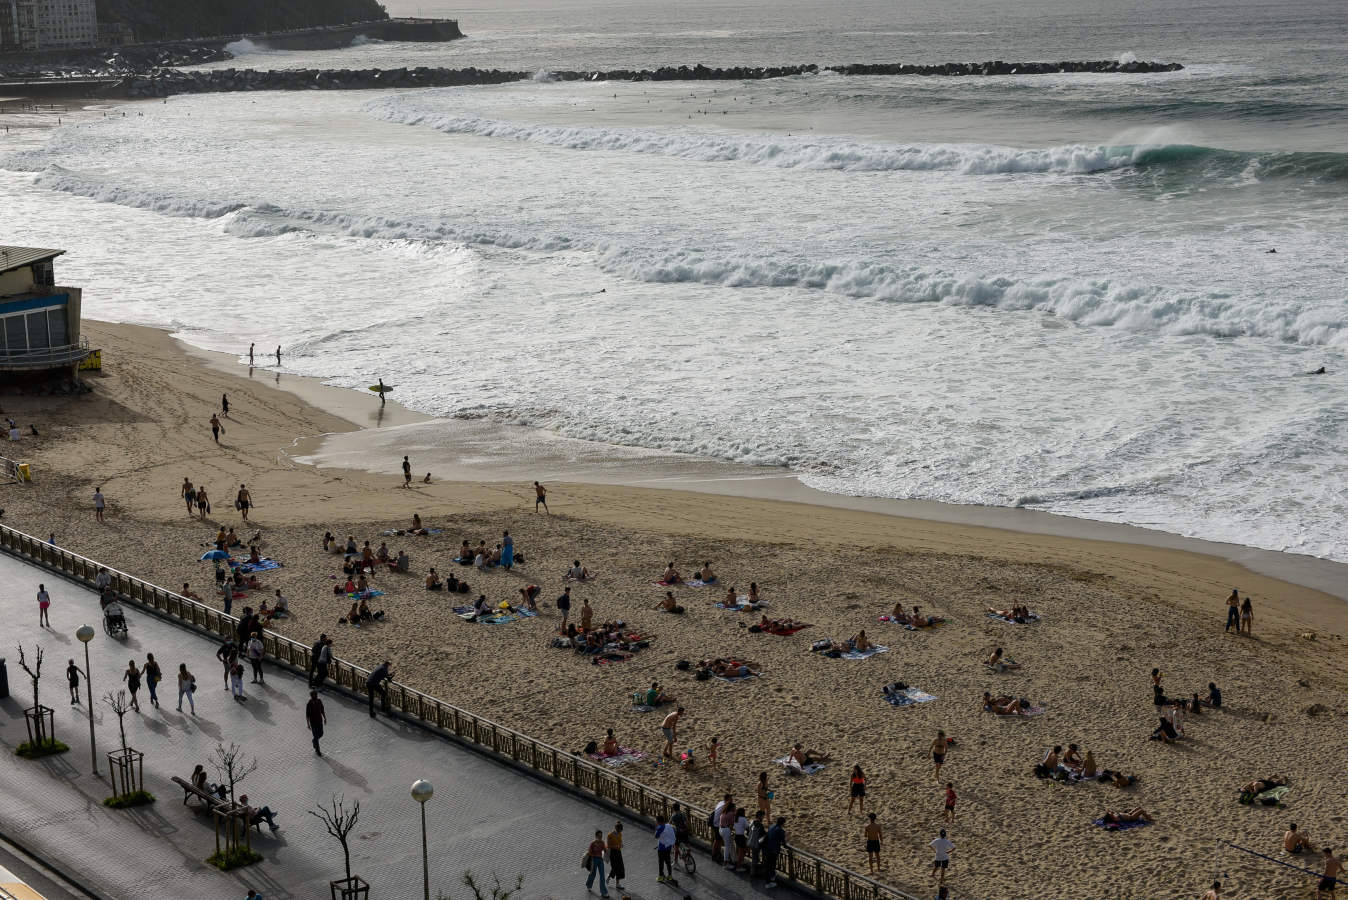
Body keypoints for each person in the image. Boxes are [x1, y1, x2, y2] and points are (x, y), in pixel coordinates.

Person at [762, 816, 787, 889]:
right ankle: (769, 882)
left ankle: (770, 880)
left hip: (767, 848)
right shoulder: (780, 830)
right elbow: (783, 842)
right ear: (782, 823)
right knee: (771, 866)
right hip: (773, 850)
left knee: (768, 865)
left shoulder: (771, 826)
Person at [654, 813, 677, 885]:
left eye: (656, 821)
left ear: (658, 821)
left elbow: (656, 836)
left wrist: (656, 828)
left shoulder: (660, 827)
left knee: (661, 862)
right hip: (668, 847)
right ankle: (670, 876)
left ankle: (661, 876)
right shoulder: (668, 826)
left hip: (662, 848)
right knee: (668, 861)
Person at [585, 829, 609, 897]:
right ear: (596, 836)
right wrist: (594, 855)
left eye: (601, 836)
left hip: (600, 860)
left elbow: (605, 850)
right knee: (593, 873)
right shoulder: (592, 843)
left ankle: (603, 891)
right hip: (594, 859)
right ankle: (589, 884)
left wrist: (607, 849)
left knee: (602, 875)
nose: (600, 837)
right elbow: (590, 852)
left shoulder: (602, 842)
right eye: (599, 836)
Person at [606, 822, 626, 891]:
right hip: (612, 852)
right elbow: (608, 845)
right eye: (619, 830)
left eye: (621, 830)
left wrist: (621, 845)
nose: (620, 831)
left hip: (618, 852)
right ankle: (609, 877)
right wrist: (615, 846)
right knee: (615, 866)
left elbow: (620, 841)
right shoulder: (610, 835)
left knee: (620, 866)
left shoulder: (620, 834)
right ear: (616, 828)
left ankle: (617, 884)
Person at [306, 689, 326, 756]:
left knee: (321, 733)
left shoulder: (319, 701)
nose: (315, 696)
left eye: (316, 695)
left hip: (319, 721)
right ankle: (318, 750)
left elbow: (322, 710)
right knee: (315, 736)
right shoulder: (309, 704)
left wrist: (325, 718)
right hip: (313, 722)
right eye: (314, 695)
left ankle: (314, 741)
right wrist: (308, 724)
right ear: (311, 696)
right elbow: (307, 715)